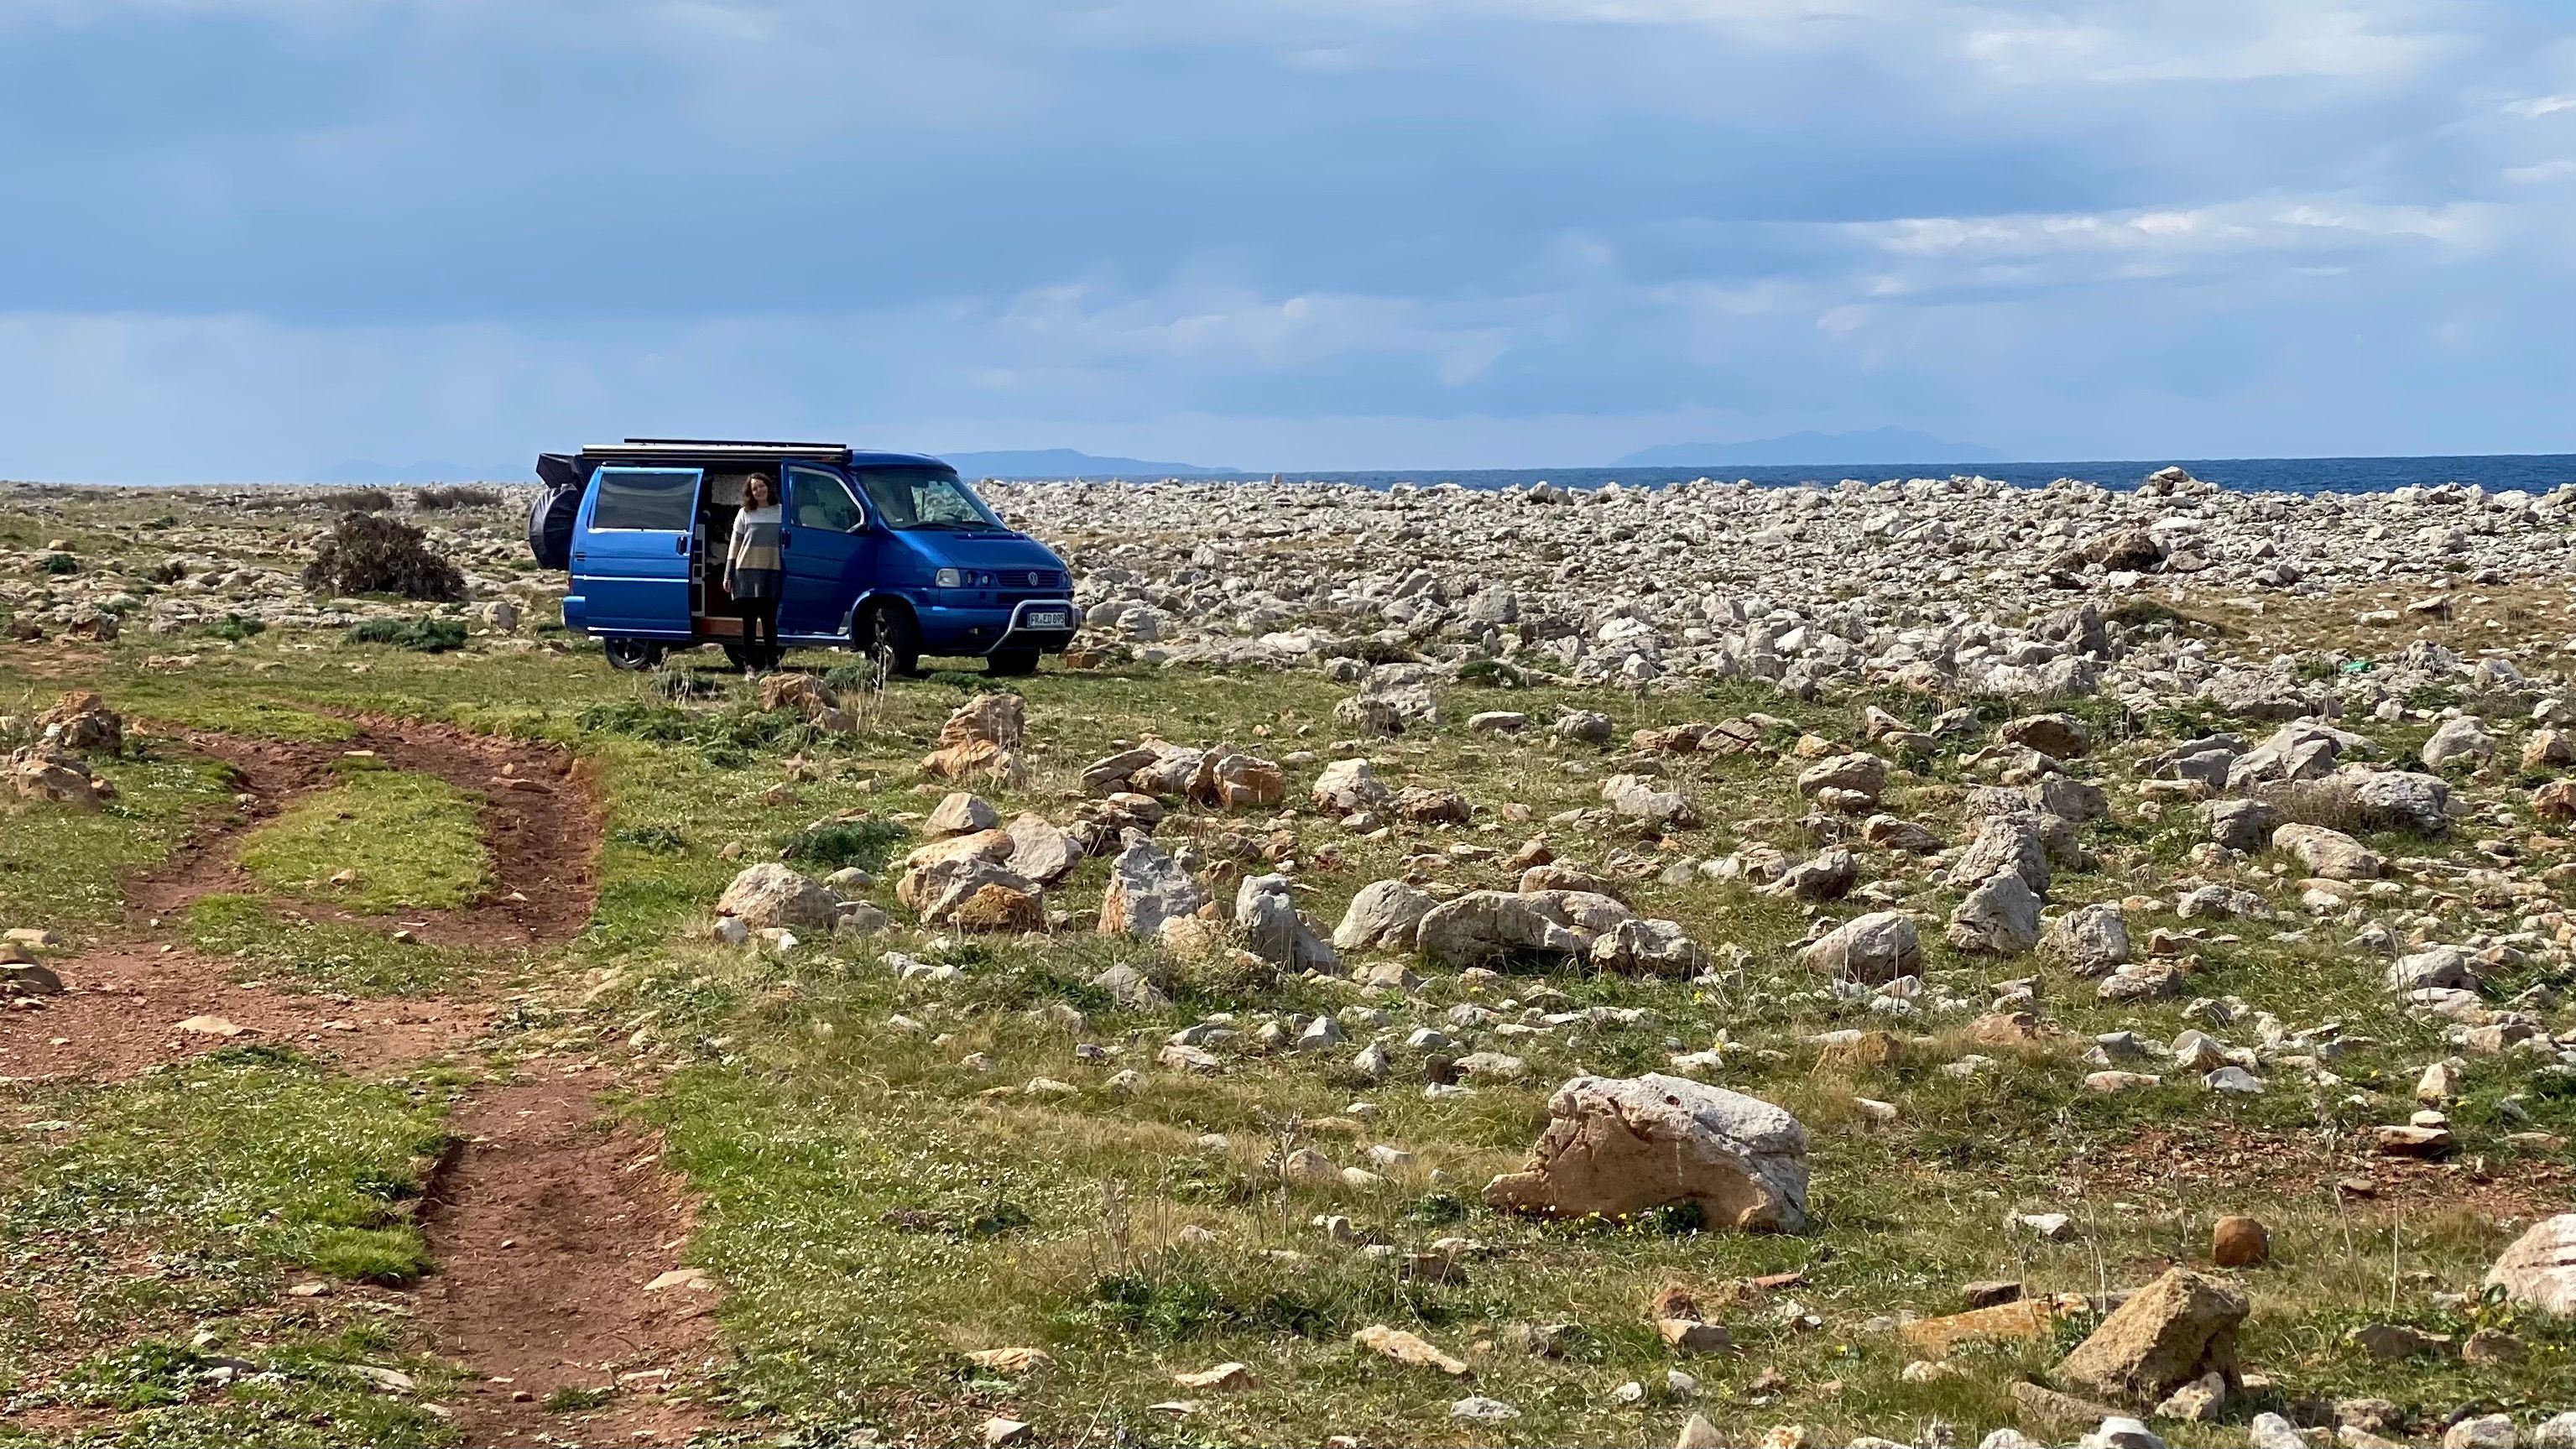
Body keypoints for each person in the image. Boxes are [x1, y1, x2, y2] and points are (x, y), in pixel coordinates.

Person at [724, 472, 784, 673]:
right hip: (746, 573)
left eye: (762, 485)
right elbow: (735, 544)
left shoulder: (781, 512)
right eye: (754, 488)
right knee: (749, 625)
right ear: (750, 493)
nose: (759, 490)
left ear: (769, 486)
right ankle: (750, 667)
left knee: (769, 623)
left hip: (771, 572)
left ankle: (771, 665)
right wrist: (728, 574)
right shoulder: (744, 514)